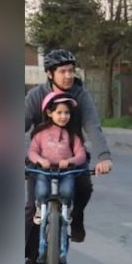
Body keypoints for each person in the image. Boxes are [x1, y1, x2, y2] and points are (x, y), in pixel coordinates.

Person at [24, 49, 113, 264]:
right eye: (62, 71)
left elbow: (93, 126)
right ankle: (30, 259)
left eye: (71, 71)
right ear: (50, 74)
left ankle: (77, 216)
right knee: (32, 207)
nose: (68, 76)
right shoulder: (36, 96)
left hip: (72, 159)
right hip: (41, 162)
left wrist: (104, 156)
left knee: (84, 187)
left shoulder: (80, 96)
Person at [27, 93, 87, 223]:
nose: (63, 116)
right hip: (45, 170)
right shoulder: (40, 134)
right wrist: (40, 160)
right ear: (49, 113)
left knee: (67, 192)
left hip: (66, 171)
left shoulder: (72, 135)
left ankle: (66, 209)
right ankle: (40, 207)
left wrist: (70, 161)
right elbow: (32, 151)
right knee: (42, 191)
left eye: (67, 113)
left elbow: (81, 154)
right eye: (59, 112)